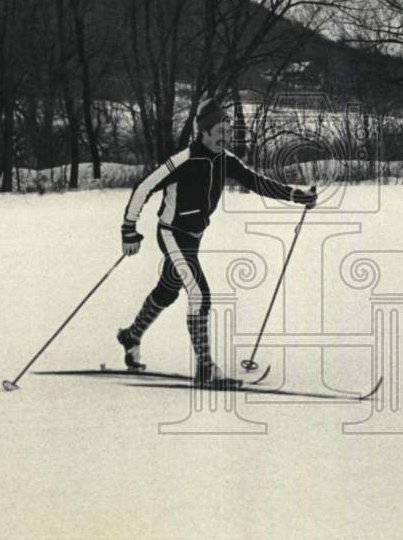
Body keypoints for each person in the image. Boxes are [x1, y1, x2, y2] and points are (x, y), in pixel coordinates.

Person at [117, 98, 318, 387]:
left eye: (228, 134)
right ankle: (205, 368)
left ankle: (131, 336)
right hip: (172, 234)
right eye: (219, 134)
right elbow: (144, 187)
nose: (224, 140)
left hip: (193, 238)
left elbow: (256, 181)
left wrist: (294, 195)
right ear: (204, 132)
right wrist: (129, 229)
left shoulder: (225, 160)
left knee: (168, 290)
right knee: (199, 295)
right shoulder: (184, 160)